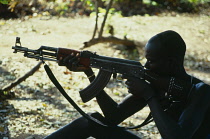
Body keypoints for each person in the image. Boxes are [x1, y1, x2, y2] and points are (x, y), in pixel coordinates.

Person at [44, 30, 210, 139]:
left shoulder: (200, 92)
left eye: (151, 61)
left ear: (171, 62)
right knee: (92, 120)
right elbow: (113, 116)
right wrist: (89, 72)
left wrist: (149, 96)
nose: (145, 66)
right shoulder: (157, 84)